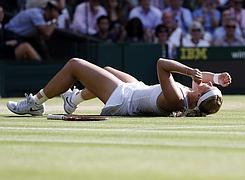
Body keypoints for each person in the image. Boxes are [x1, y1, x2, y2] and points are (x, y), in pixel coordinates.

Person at [7, 57, 232, 117]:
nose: (205, 83)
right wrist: (217, 77)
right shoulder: (191, 99)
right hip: (136, 89)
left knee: (75, 65)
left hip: (123, 99)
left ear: (201, 94)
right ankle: (72, 100)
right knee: (105, 69)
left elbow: (162, 64)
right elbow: (198, 79)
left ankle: (35, 103)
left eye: (208, 86)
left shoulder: (176, 99)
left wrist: (187, 71)